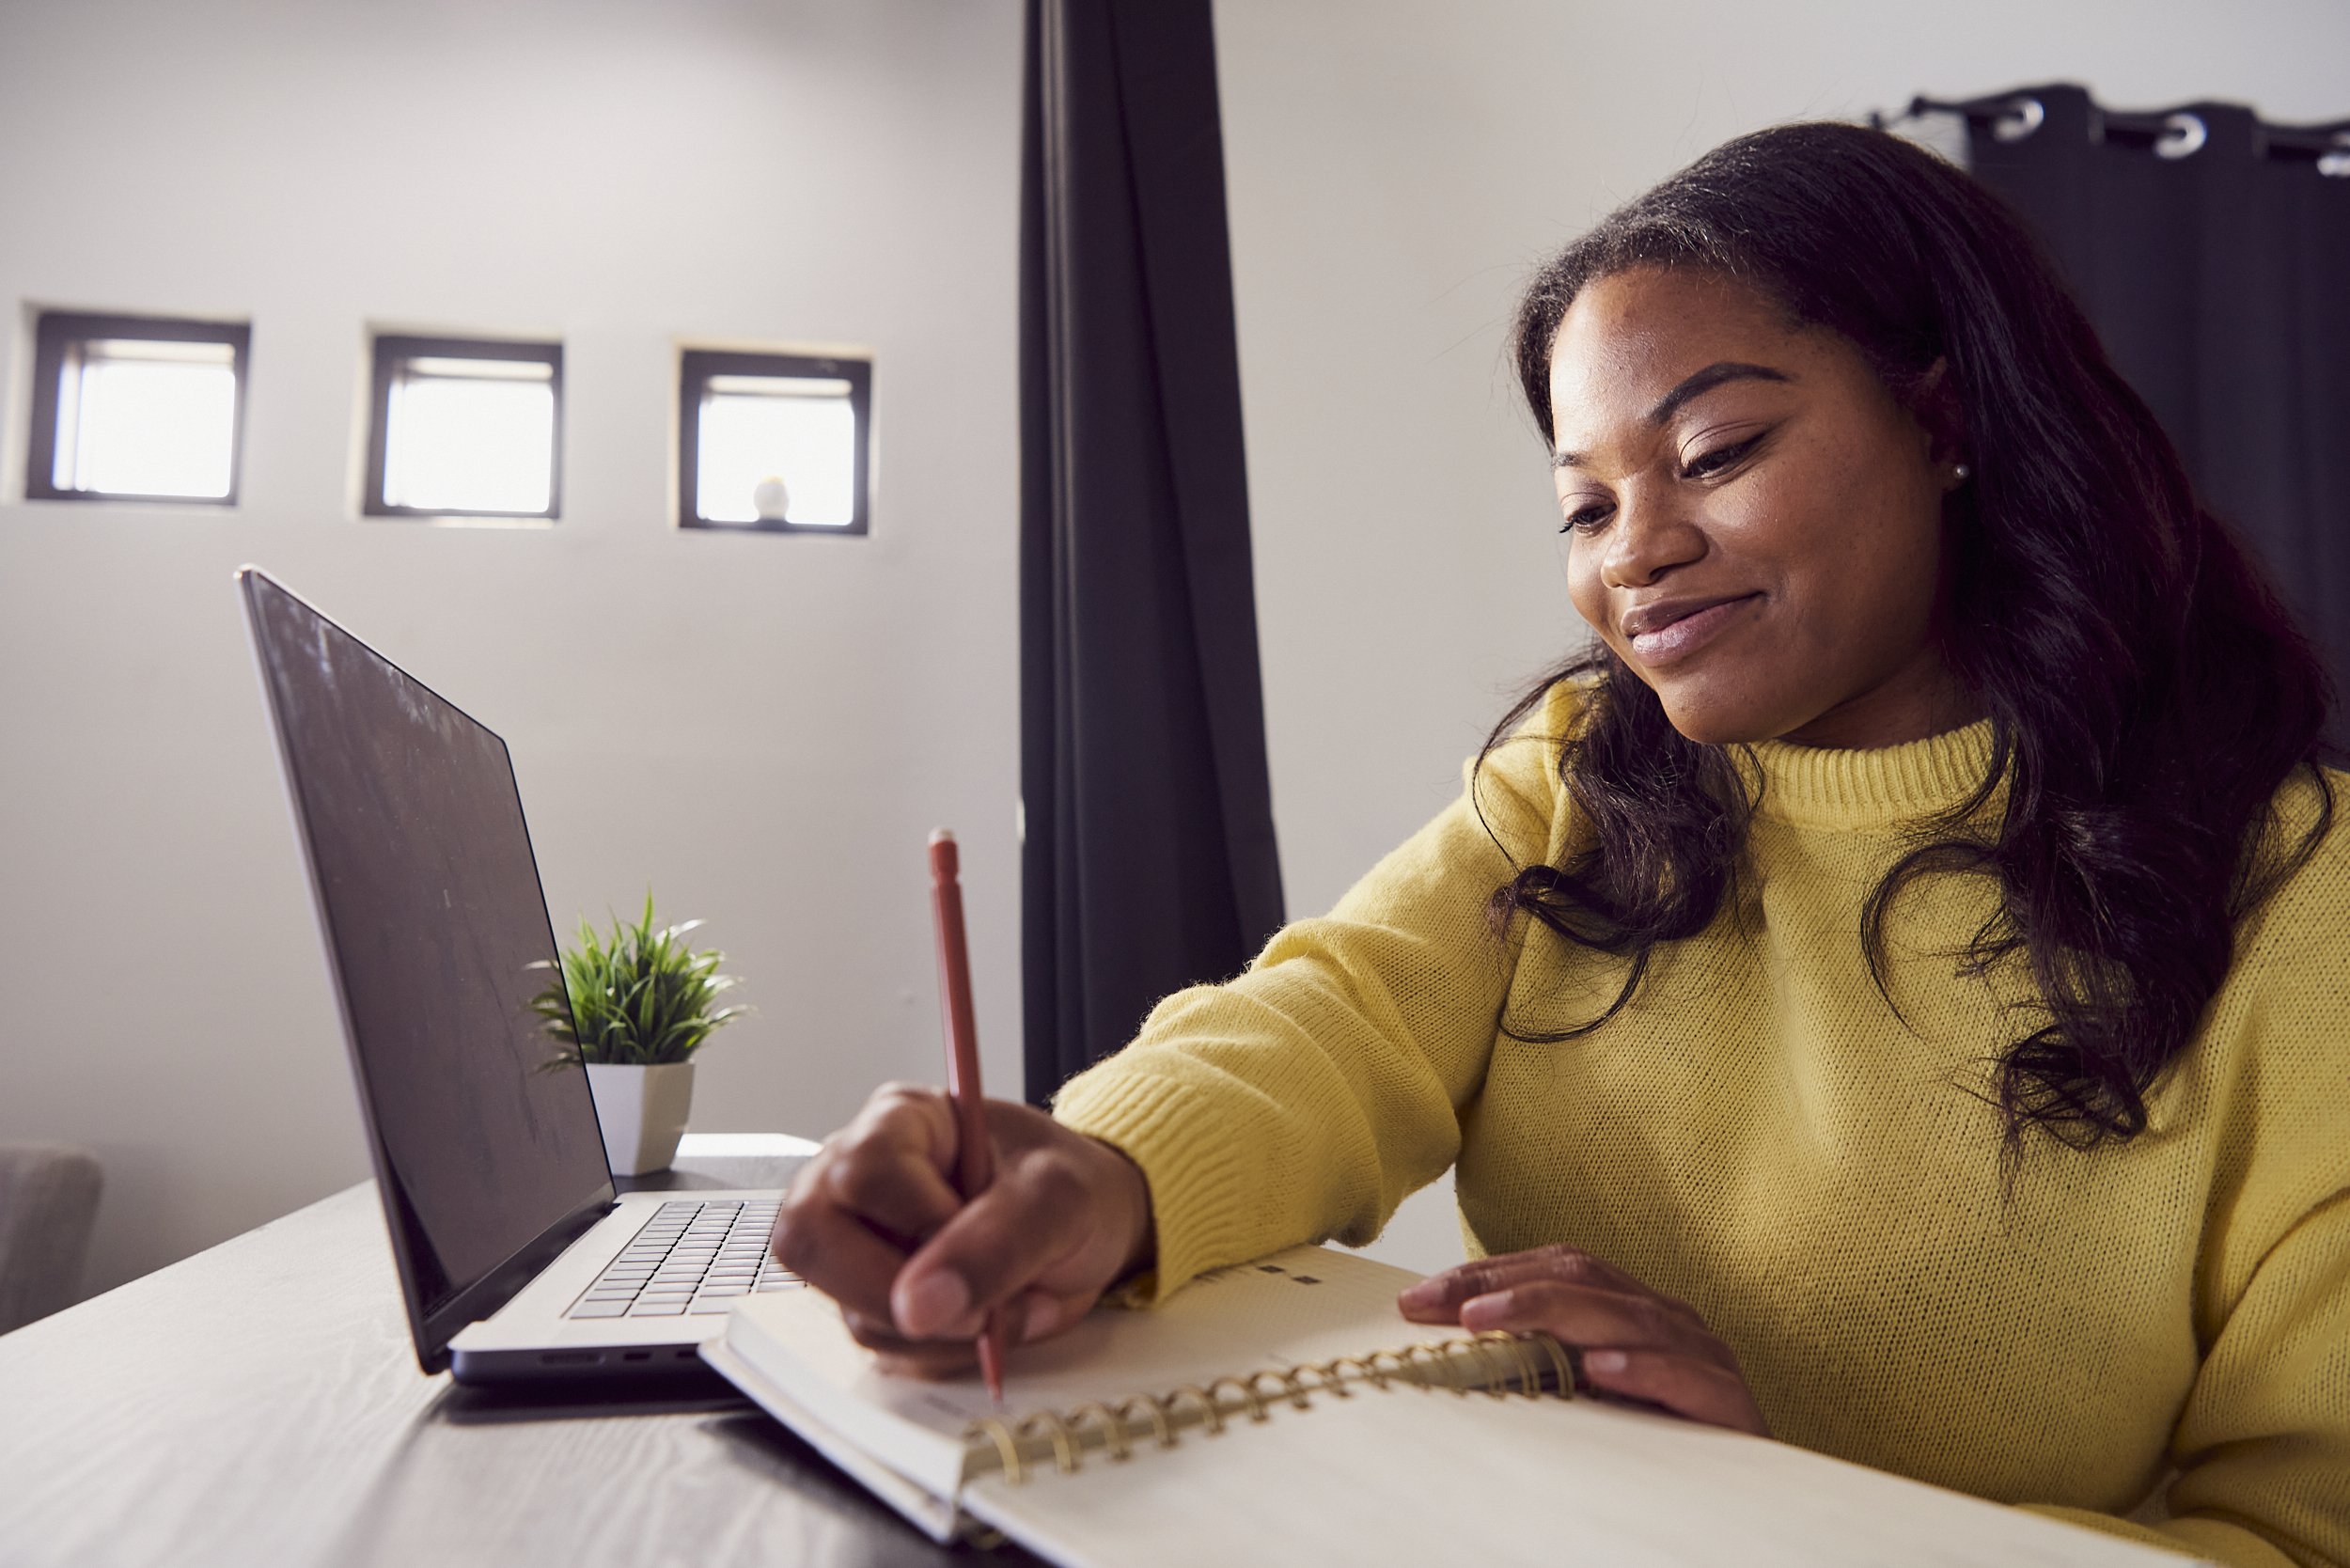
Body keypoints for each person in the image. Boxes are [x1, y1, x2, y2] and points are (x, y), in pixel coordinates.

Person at [772, 123, 2349, 1566]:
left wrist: (1778, 1507)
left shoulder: (2297, 898)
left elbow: (2297, 1531)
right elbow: (1337, 1020)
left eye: (1715, 454)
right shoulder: (1589, 770)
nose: (1639, 553)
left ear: (1944, 416)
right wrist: (1104, 1171)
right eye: (1583, 508)